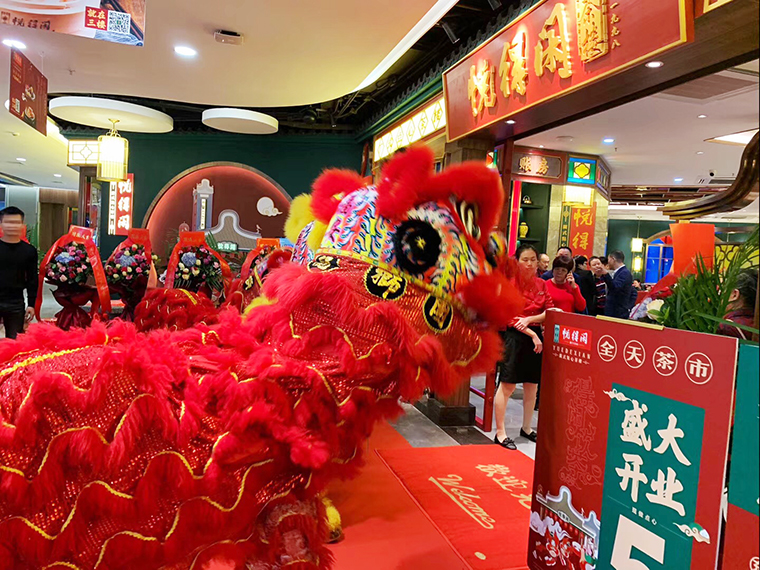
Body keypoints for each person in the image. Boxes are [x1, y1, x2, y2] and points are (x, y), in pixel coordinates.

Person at [494, 244, 554, 450]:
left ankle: (526, 428)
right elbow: (508, 316)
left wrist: (530, 320)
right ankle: (500, 433)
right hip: (514, 336)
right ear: (516, 262)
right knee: (508, 385)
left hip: (534, 335)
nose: (529, 264)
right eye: (525, 260)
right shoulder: (508, 283)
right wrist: (531, 332)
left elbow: (550, 311)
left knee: (532, 386)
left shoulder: (542, 284)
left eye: (533, 260)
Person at [0, 207, 38, 339]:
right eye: (8, 222)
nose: (12, 226)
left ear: (22, 225)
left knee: (15, 341)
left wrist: (31, 304)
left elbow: (32, 279)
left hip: (15, 302)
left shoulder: (29, 251)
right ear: (1, 224)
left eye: (16, 222)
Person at [718, 268, 757, 339]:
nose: (718, 294)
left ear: (734, 294)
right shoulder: (754, 324)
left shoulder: (726, 328)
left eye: (722, 289)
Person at [596, 250, 633, 319]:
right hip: (613, 311)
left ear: (613, 259)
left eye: (608, 259)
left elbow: (615, 287)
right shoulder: (619, 272)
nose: (608, 262)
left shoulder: (624, 273)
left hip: (617, 312)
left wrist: (606, 274)